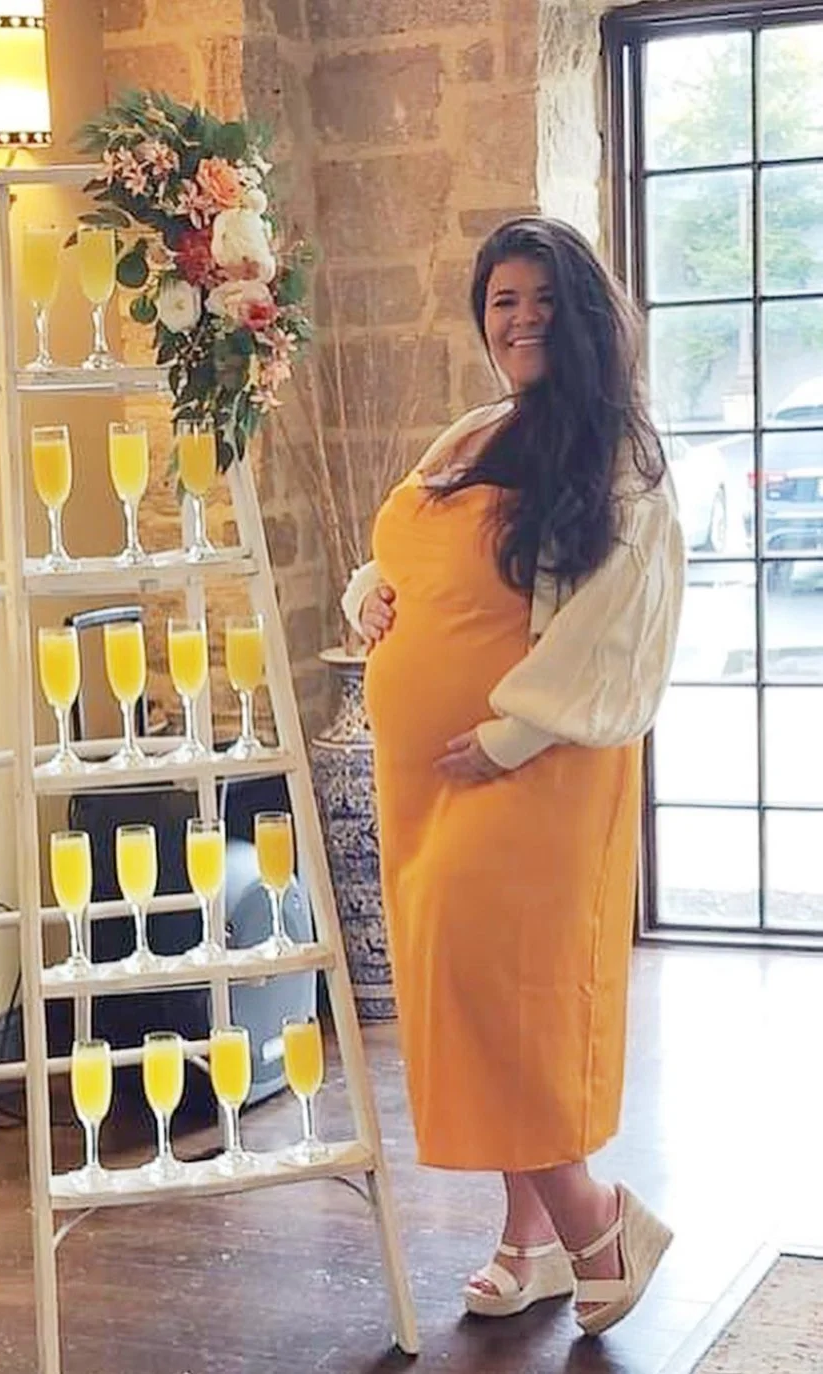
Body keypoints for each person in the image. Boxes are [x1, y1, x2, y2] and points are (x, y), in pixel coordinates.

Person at [342, 216, 685, 1337]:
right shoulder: (479, 428)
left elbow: (619, 617)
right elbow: (398, 555)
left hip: (537, 765)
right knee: (474, 983)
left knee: (502, 984)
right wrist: (368, 597)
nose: (522, 317)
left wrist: (510, 733)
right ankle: (527, 1240)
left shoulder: (619, 453)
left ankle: (598, 1221)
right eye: (502, 300)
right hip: (429, 772)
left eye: (542, 297)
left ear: (583, 314)